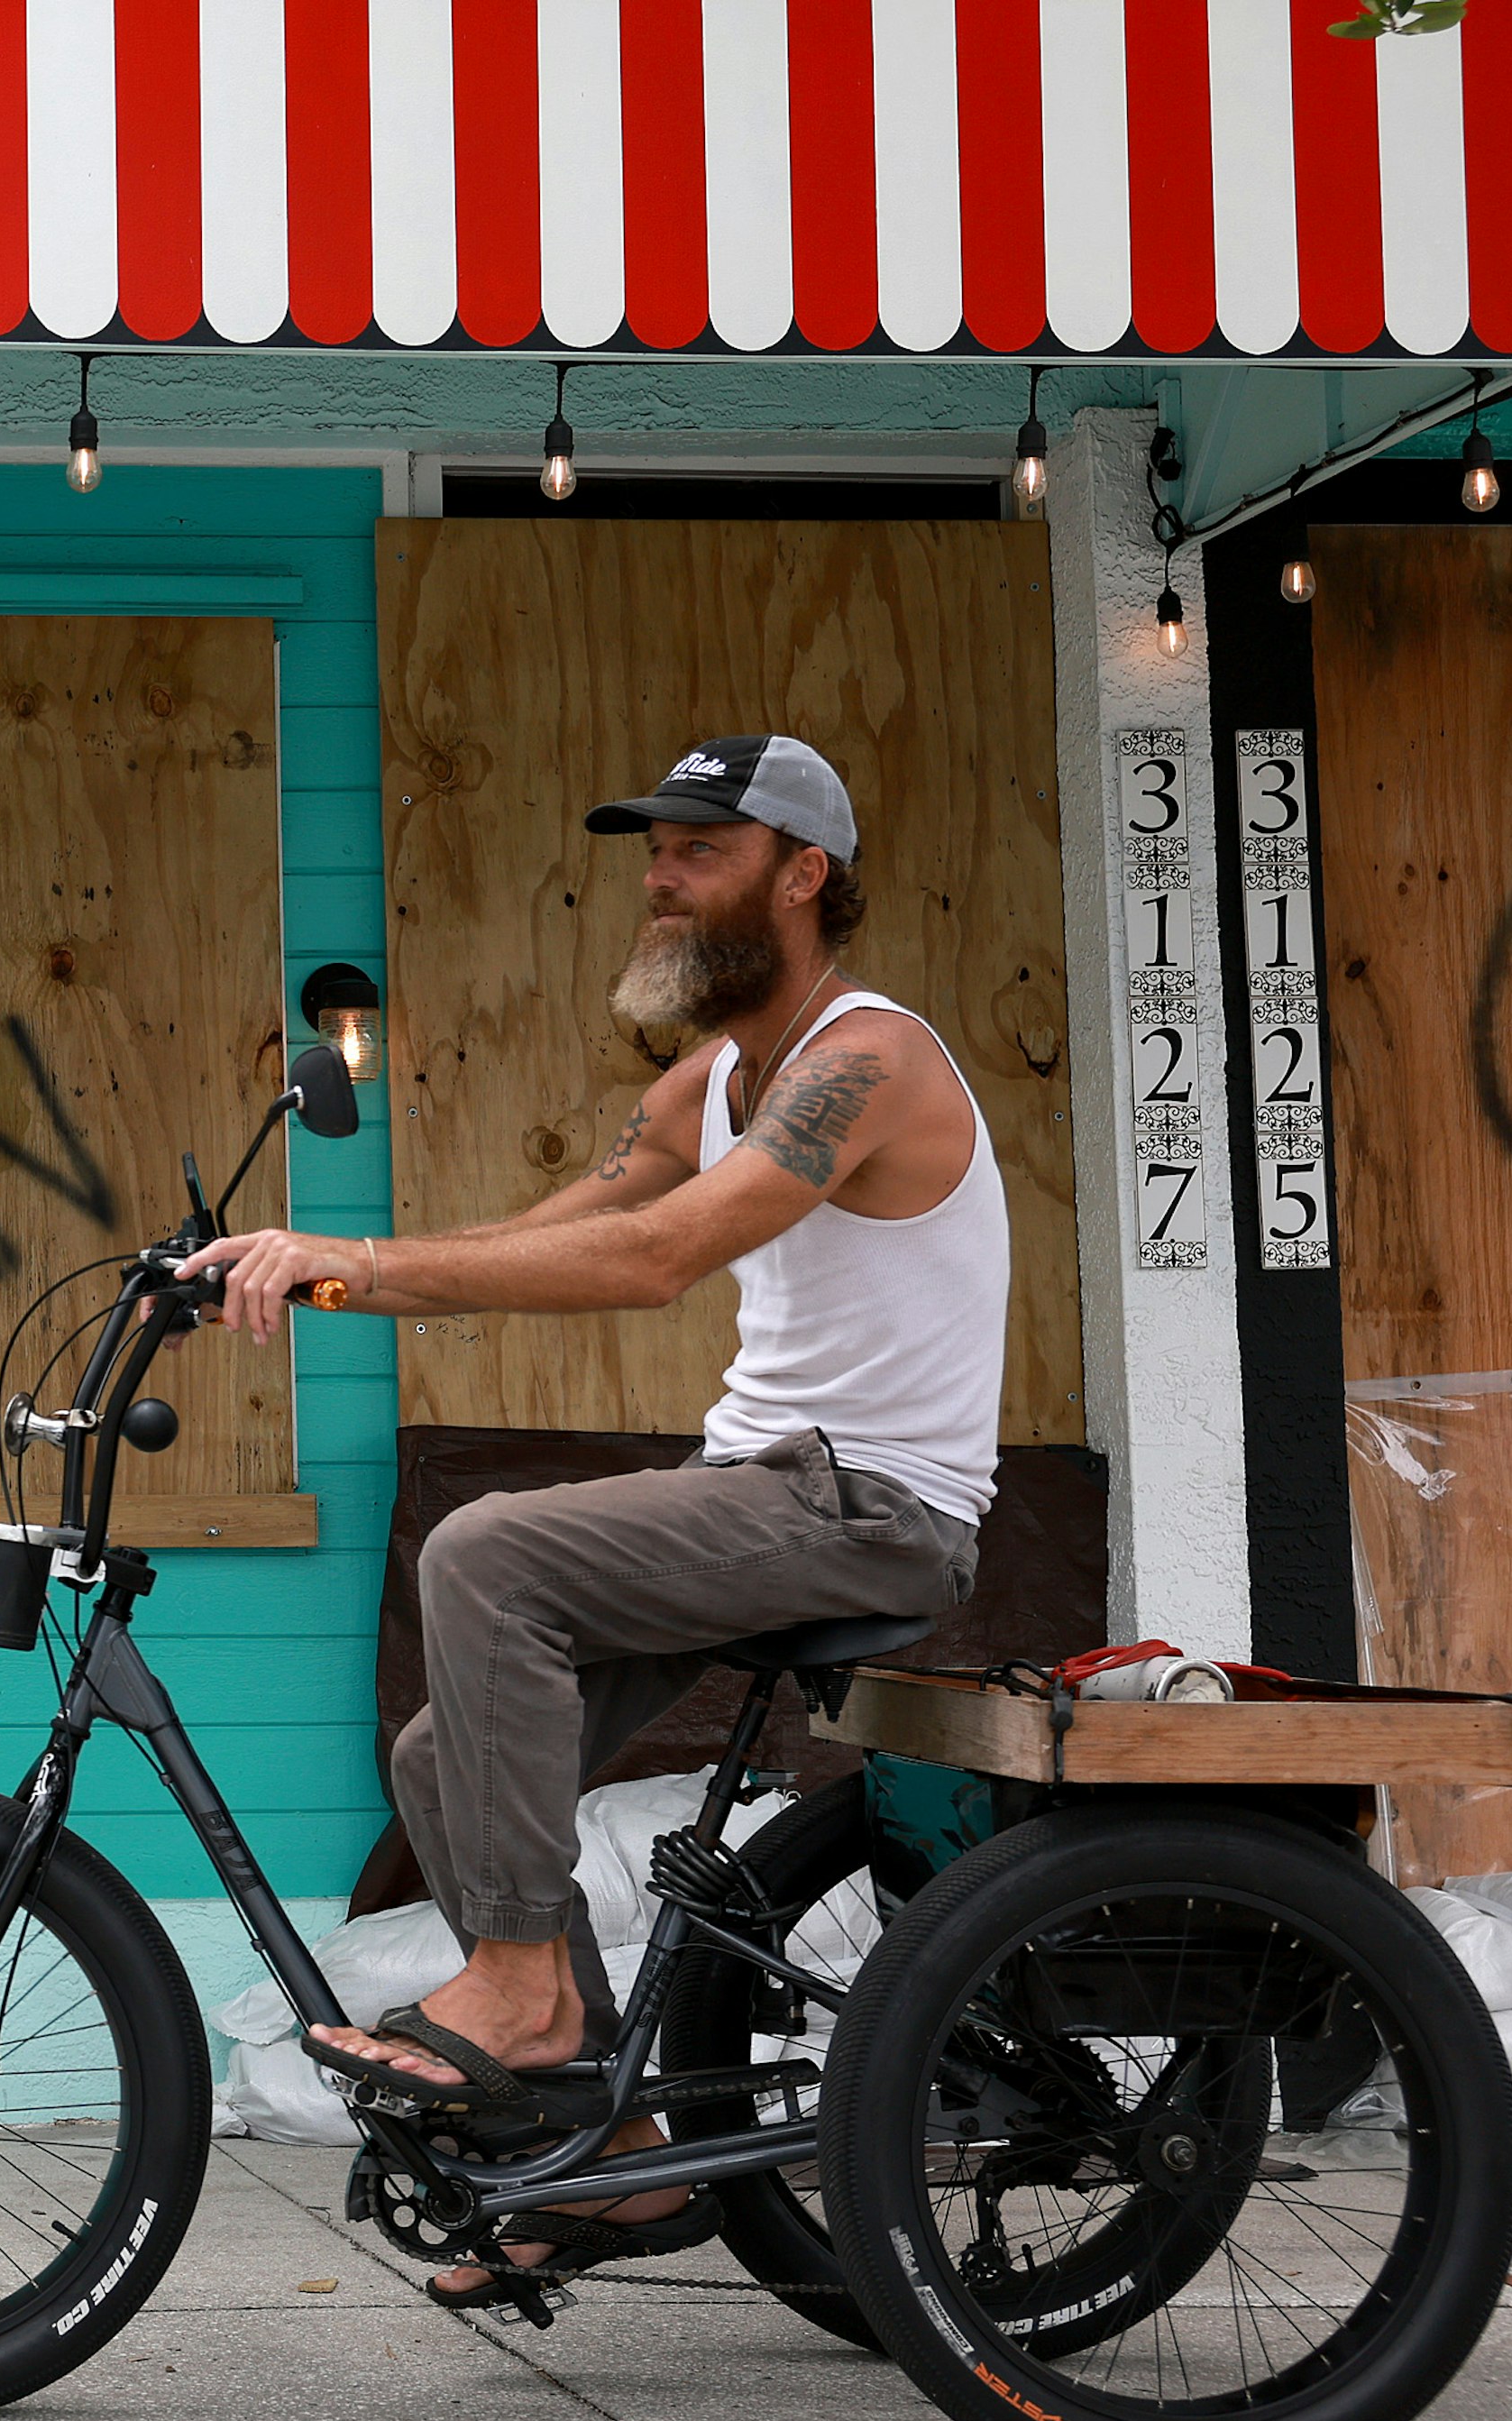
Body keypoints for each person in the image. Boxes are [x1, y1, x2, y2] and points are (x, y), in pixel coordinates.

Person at [172, 732, 1006, 2300]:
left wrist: (342, 1257)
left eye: (698, 847)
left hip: (874, 1502)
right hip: (764, 1488)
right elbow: (580, 1220)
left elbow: (654, 1262)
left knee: (483, 1548)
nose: (658, 875)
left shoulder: (865, 1056)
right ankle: (605, 2156)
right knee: (443, 1758)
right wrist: (298, 1267)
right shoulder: (720, 1075)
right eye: (654, 847)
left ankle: (524, 1998)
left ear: (802, 872)